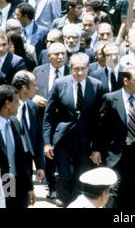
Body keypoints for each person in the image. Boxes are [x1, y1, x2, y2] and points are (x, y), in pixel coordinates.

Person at [43, 53, 104, 206]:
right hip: (63, 139)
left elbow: (100, 120)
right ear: (71, 69)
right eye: (76, 69)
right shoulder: (59, 84)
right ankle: (65, 202)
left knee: (81, 177)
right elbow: (48, 116)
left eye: (83, 69)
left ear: (88, 68)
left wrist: (96, 148)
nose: (79, 73)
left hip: (85, 141)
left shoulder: (97, 86)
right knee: (64, 176)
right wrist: (47, 143)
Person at [97, 66, 135, 209]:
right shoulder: (111, 99)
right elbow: (101, 127)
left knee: (133, 187)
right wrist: (96, 149)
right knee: (115, 187)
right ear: (126, 81)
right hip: (115, 151)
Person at [0, 85, 35, 208]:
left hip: (18, 184)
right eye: (17, 101)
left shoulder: (15, 123)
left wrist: (29, 187)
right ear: (7, 103)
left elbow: (22, 158)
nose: (19, 104)